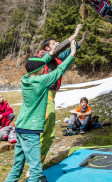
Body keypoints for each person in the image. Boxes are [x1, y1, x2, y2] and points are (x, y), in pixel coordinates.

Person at [5, 40, 78, 182]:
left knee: (17, 167)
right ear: (38, 69)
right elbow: (60, 70)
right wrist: (72, 53)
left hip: (20, 128)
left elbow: (40, 62)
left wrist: (50, 53)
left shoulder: (25, 79)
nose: (43, 65)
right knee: (36, 170)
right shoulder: (41, 81)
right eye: (41, 65)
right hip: (30, 131)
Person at [36, 25, 89, 163]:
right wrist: (75, 33)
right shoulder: (43, 55)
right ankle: (36, 162)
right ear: (47, 47)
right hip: (44, 93)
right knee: (47, 129)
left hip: (51, 94)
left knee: (45, 128)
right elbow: (58, 50)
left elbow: (71, 50)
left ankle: (35, 160)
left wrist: (81, 40)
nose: (57, 44)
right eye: (54, 44)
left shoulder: (57, 58)